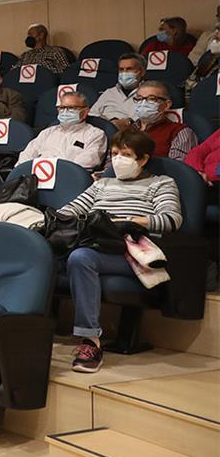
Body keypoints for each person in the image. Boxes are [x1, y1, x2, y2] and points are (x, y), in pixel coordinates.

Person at [58, 128, 182, 373]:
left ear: (143, 159)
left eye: (126, 154)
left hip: (132, 253)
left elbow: (171, 219)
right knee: (45, 254)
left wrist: (130, 221)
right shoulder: (103, 184)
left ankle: (90, 342)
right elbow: (71, 209)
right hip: (98, 244)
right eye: (114, 154)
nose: (118, 160)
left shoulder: (161, 183)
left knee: (81, 258)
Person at [17, 91, 107, 169]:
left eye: (71, 108)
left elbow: (89, 161)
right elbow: (26, 156)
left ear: (85, 112)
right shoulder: (47, 132)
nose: (65, 112)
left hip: (68, 177)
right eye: (62, 108)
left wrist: (55, 170)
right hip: (38, 174)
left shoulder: (95, 134)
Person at [132, 80, 197, 160]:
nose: (143, 103)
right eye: (139, 99)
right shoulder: (128, 129)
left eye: (151, 99)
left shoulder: (179, 132)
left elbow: (177, 166)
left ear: (167, 105)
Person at [90, 53, 146, 128]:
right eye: (121, 69)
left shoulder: (151, 93)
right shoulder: (109, 92)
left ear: (142, 72)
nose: (124, 73)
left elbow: (151, 116)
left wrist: (128, 122)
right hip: (106, 130)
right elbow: (92, 115)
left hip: (135, 132)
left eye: (129, 69)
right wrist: (109, 123)